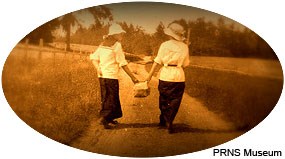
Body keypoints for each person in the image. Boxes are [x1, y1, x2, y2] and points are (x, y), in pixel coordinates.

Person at [90, 23, 139, 129]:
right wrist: (133, 77)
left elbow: (93, 58)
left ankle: (110, 118)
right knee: (111, 97)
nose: (122, 35)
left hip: (102, 76)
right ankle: (104, 119)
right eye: (120, 33)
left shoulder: (103, 44)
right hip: (111, 76)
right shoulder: (117, 45)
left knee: (107, 96)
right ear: (115, 34)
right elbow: (123, 63)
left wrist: (98, 68)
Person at [146, 22, 190, 133]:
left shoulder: (165, 45)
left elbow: (157, 62)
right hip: (179, 76)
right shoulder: (185, 47)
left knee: (164, 98)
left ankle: (164, 119)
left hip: (166, 74)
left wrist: (149, 77)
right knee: (175, 99)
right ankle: (169, 121)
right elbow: (186, 64)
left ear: (170, 34)